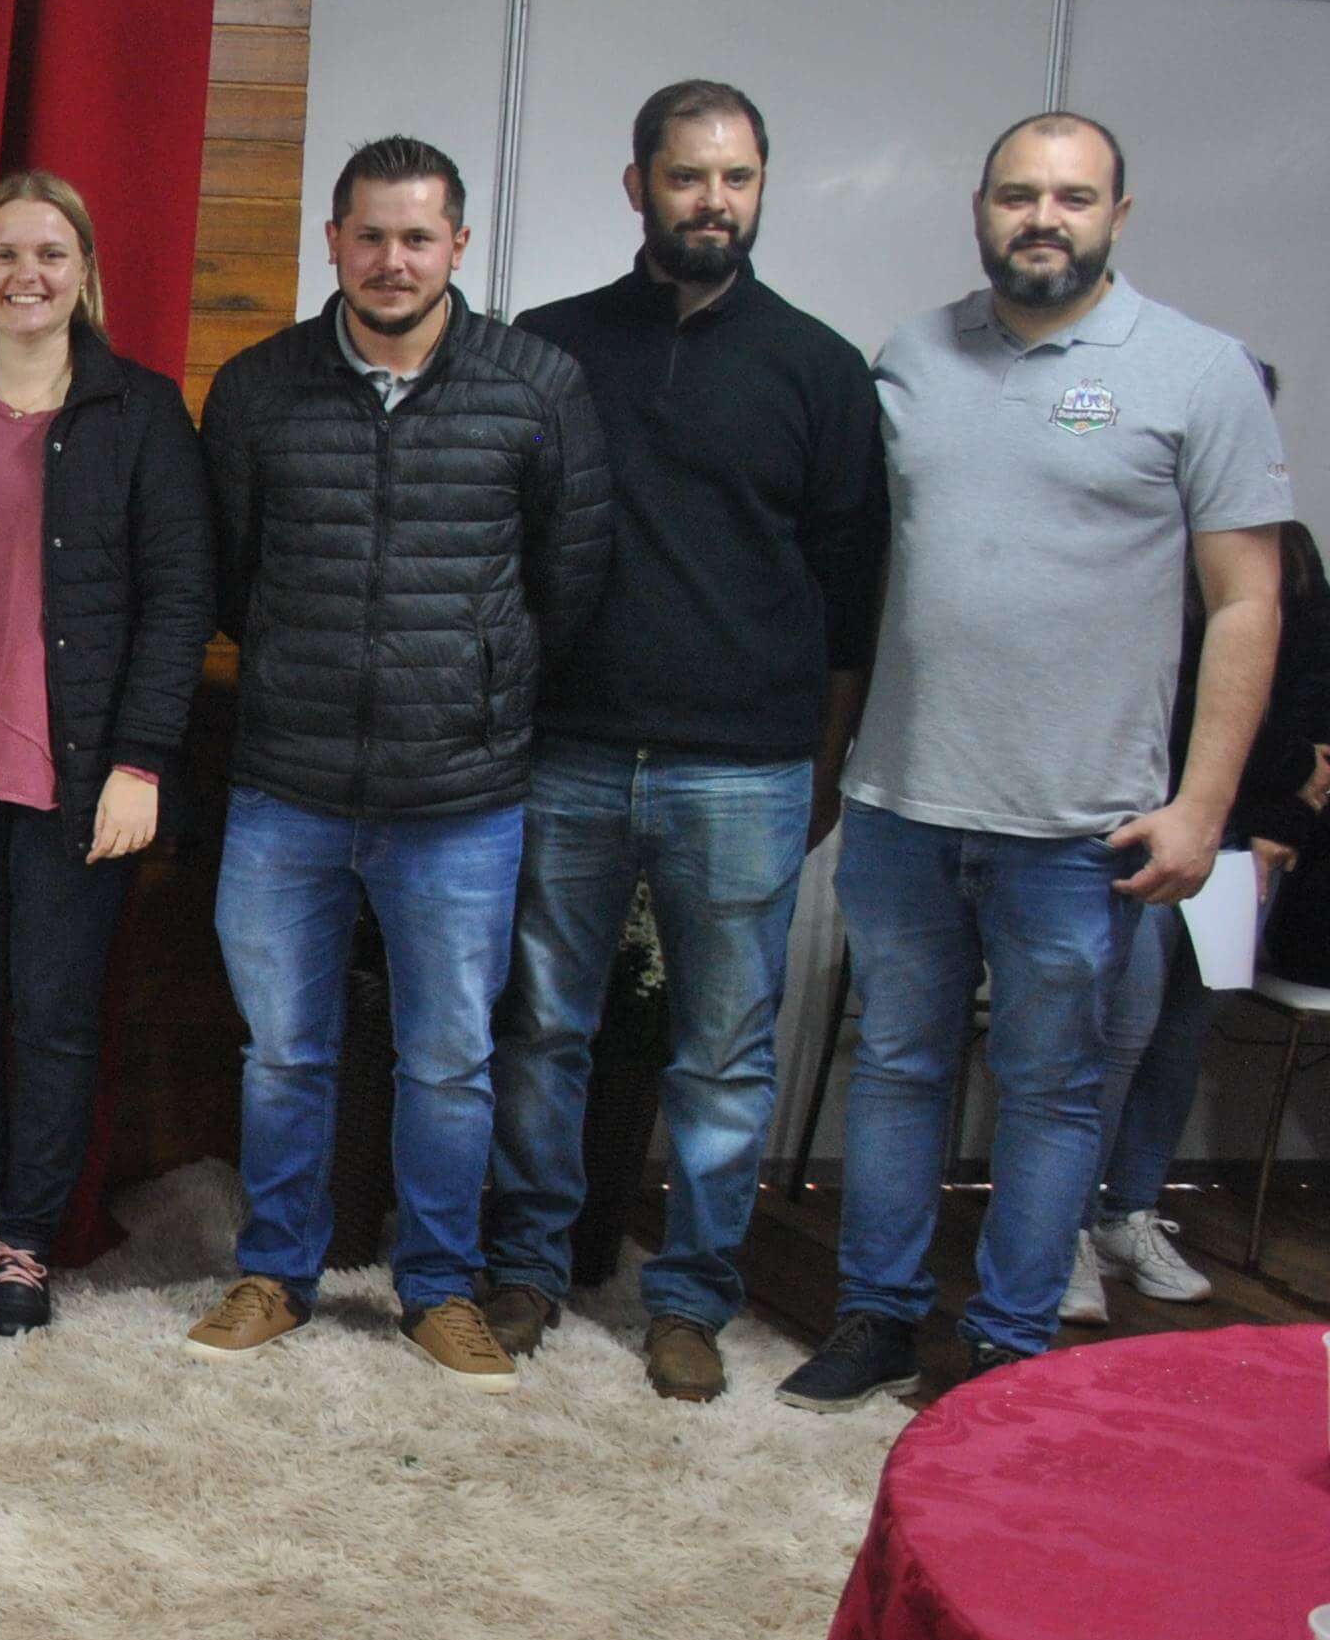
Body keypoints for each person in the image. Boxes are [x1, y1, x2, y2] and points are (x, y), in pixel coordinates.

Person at [785, 114, 1289, 1408]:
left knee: (1053, 1093)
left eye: (1071, 197)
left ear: (1119, 214)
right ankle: (876, 1318)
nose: (1041, 218)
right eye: (1017, 194)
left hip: (1083, 826)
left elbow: (1248, 601)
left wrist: (1203, 809)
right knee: (895, 1070)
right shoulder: (911, 358)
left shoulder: (1197, 371)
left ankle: (1008, 1346)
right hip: (904, 805)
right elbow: (861, 575)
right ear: (980, 208)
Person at [480, 81, 887, 1404]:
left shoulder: (819, 368)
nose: (713, 201)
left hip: (744, 766)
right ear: (636, 185)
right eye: (687, 175)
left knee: (722, 1052)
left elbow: (851, 595)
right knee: (543, 1030)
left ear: (760, 187)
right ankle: (527, 1268)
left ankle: (692, 1300)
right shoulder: (547, 347)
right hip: (569, 752)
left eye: (737, 178)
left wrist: (822, 767)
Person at [193, 135, 613, 1386]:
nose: (391, 260)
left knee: (448, 1063)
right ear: (331, 241)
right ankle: (274, 1273)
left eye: (416, 237)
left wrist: (477, 684)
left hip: (458, 797)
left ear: (456, 246)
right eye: (368, 235)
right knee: (282, 1055)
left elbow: (568, 578)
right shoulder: (258, 388)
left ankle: (437, 1288)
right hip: (286, 783)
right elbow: (229, 575)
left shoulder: (535, 385)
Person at [0, 173, 213, 1336]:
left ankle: (24, 1243)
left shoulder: (139, 410)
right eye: (4, 253)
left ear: (84, 273)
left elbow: (179, 599)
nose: (27, 274)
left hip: (78, 770)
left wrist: (140, 761)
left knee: (51, 1017)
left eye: (50, 254)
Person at [1068, 504, 1325, 1320]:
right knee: (1120, 1033)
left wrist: (1281, 824)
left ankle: (1129, 1214)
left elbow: (1311, 702)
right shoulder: (1135, 537)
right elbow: (1163, 707)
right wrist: (1286, 763)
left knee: (1181, 1036)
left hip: (1242, 845)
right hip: (1137, 827)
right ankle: (1064, 1228)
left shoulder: (1288, 552)